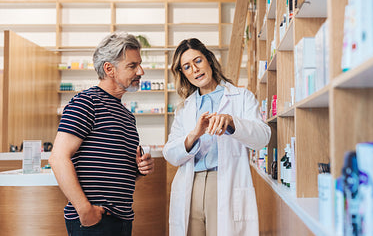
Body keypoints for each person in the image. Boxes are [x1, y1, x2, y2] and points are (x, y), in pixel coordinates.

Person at [49, 32, 155, 236]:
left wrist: (140, 168)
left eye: (139, 64)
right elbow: (58, 158)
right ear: (109, 69)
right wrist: (84, 210)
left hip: (121, 220)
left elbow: (120, 172)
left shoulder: (126, 116)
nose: (140, 71)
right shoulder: (86, 103)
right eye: (132, 66)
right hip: (95, 221)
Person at [163, 38, 271, 236]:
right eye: (187, 67)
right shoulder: (185, 108)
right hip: (191, 184)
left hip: (224, 183)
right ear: (183, 74)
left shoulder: (241, 97)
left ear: (209, 61)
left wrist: (232, 123)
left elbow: (262, 138)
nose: (195, 69)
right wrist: (194, 135)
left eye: (198, 61)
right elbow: (170, 153)